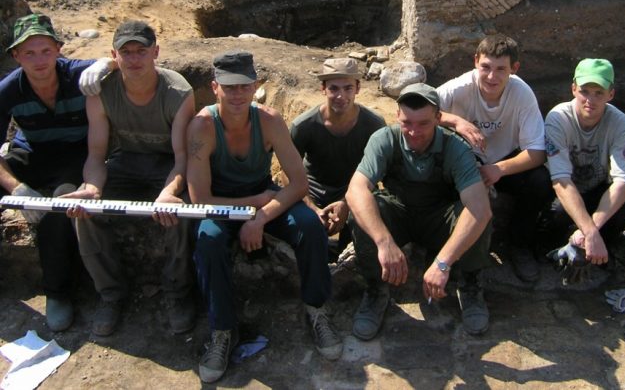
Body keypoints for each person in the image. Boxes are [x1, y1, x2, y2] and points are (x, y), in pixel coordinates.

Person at [187, 51, 342, 384]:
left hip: (262, 197)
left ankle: (317, 309)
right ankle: (222, 330)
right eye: (229, 87)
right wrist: (250, 205)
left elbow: (298, 183)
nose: (237, 94)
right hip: (220, 202)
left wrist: (259, 217)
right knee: (208, 241)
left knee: (310, 228)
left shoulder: (269, 120)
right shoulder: (202, 125)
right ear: (215, 88)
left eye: (244, 86)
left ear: (255, 85)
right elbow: (200, 198)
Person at [66, 20, 196, 336]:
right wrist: (93, 188)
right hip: (124, 163)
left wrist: (169, 193)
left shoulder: (178, 92)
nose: (134, 59)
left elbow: (183, 158)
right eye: (127, 52)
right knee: (84, 213)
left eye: (141, 51)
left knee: (183, 210)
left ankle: (178, 293)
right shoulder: (101, 92)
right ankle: (111, 294)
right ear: (115, 54)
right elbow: (97, 154)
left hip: (166, 165)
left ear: (156, 53)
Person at [346, 83, 492, 339]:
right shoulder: (385, 139)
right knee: (365, 209)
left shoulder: (454, 148)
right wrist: (384, 242)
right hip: (399, 214)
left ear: (438, 118)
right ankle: (375, 291)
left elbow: (480, 209)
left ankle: (470, 285)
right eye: (407, 122)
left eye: (423, 123)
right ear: (397, 117)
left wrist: (443, 263)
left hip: (439, 219)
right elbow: (355, 190)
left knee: (471, 215)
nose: (413, 132)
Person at [0, 13, 113, 332]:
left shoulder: (75, 74)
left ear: (59, 50)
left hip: (74, 155)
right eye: (29, 53)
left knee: (58, 207)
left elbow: (116, 61)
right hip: (32, 152)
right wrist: (16, 188)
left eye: (46, 50)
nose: (39, 60)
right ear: (16, 56)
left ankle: (58, 292)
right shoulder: (8, 90)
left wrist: (104, 64)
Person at [437, 34, 550, 282]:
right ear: (475, 61)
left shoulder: (522, 94)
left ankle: (519, 245)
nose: (491, 76)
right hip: (466, 162)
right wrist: (456, 121)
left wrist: (498, 169)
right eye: (485, 67)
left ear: (514, 69)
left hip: (503, 162)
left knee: (540, 182)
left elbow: (538, 152)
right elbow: (419, 109)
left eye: (501, 69)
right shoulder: (459, 88)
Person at [290, 58, 385, 257]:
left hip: (355, 188)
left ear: (358, 88)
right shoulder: (304, 126)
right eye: (334, 88)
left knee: (365, 224)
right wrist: (312, 208)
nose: (341, 96)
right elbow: (287, 172)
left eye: (348, 88)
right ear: (323, 89)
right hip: (312, 190)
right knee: (302, 227)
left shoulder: (374, 125)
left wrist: (347, 203)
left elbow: (379, 173)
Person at [544, 58, 625, 266]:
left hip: (598, 189)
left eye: (599, 93)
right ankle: (555, 249)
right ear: (574, 89)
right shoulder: (558, 118)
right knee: (557, 212)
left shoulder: (620, 123)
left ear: (610, 94)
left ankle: (598, 254)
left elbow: (623, 182)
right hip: (567, 190)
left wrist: (590, 229)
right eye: (585, 91)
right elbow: (561, 180)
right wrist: (590, 231)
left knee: (623, 209)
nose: (590, 100)